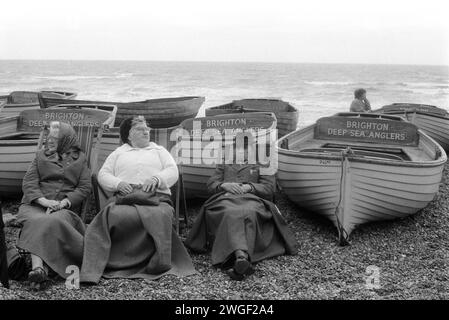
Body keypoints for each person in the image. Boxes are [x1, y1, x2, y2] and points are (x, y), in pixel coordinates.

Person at [80, 116, 196, 283]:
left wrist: (157, 179)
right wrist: (118, 183)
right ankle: (115, 261)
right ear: (129, 135)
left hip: (156, 197)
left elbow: (172, 170)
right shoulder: (118, 153)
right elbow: (103, 175)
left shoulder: (159, 150)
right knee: (113, 215)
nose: (146, 131)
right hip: (125, 197)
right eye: (140, 129)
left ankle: (155, 262)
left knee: (160, 215)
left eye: (147, 129)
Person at [185, 139, 297, 281]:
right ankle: (242, 258)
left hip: (252, 200)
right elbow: (211, 185)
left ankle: (239, 257)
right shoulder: (225, 163)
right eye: (238, 148)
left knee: (247, 213)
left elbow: (269, 189)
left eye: (245, 149)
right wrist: (223, 185)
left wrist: (250, 187)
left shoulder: (262, 163)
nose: (241, 152)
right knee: (231, 213)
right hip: (225, 200)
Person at [16, 121, 91, 289]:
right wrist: (44, 201)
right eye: (49, 137)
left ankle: (39, 269)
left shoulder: (80, 159)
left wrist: (64, 203)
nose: (50, 141)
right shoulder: (41, 155)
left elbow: (85, 187)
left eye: (55, 138)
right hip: (35, 205)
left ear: (66, 139)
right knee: (39, 219)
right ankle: (40, 269)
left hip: (63, 208)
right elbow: (29, 183)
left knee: (49, 221)